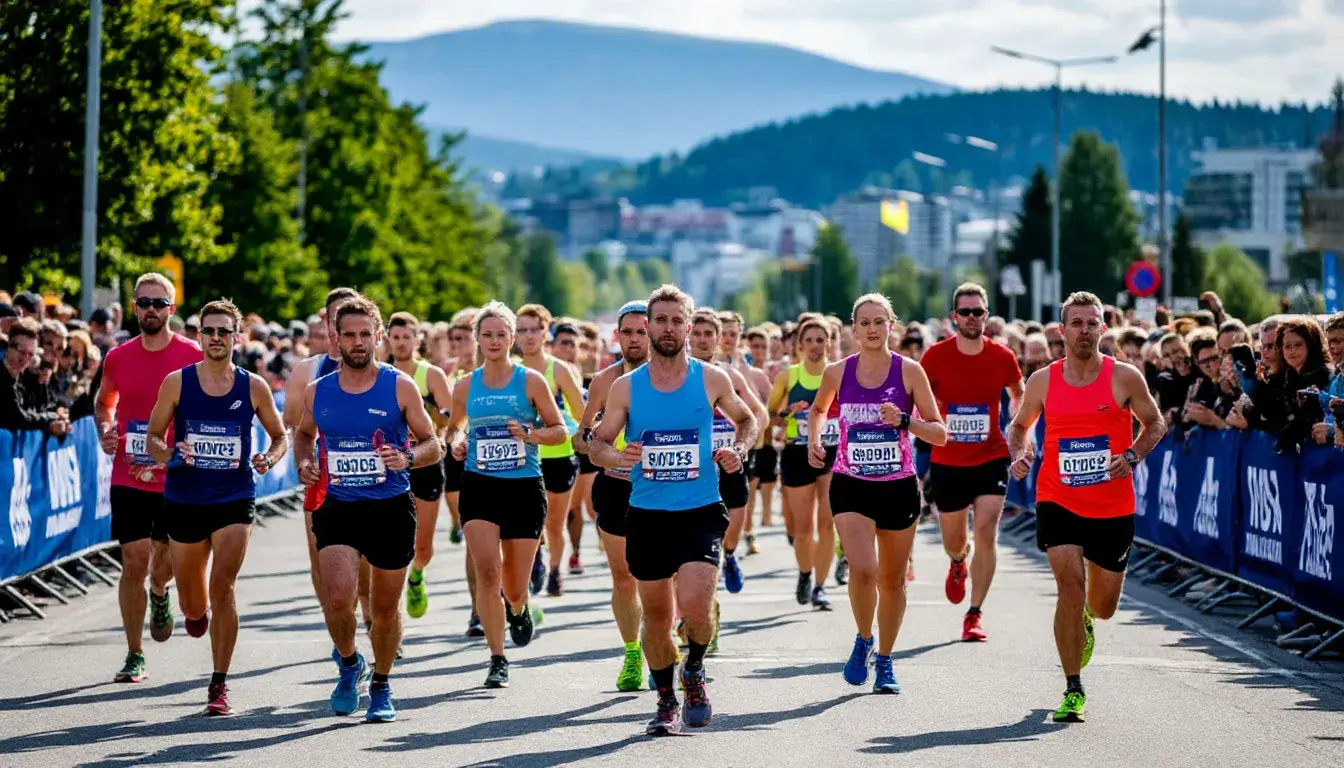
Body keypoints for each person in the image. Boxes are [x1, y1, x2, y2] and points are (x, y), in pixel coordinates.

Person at [589, 284, 758, 735]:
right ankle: (665, 700)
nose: (668, 328)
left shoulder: (711, 379)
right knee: (658, 617)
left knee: (697, 610)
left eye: (676, 320)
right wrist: (616, 456)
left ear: (689, 326)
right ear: (648, 327)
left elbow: (747, 419)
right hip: (646, 514)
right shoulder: (626, 387)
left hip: (700, 510)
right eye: (660, 320)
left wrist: (739, 450)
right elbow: (597, 444)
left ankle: (694, 670)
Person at [1007, 291, 1165, 723]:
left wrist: (1132, 455)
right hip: (1057, 497)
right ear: (1062, 330)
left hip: (1112, 504)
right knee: (1070, 590)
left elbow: (1156, 423)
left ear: (1103, 327)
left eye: (1092, 323)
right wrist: (1020, 453)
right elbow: (1020, 427)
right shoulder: (1043, 380)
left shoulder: (1125, 377)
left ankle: (1089, 619)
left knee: (1104, 604)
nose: (1084, 330)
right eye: (1076, 323)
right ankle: (1073, 686)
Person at [294, 297, 443, 722]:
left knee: (383, 609)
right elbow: (303, 435)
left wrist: (408, 457)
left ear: (378, 337)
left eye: (365, 334)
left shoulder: (400, 386)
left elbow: (432, 444)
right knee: (338, 599)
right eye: (349, 335)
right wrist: (304, 463)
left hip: (390, 508)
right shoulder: (319, 391)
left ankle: (381, 682)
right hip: (338, 506)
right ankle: (348, 663)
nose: (358, 342)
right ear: (336, 339)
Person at [145, 299, 288, 715]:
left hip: (234, 496)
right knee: (194, 610)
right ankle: (164, 593)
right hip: (185, 498)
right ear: (199, 335)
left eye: (224, 331)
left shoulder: (253, 386)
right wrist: (170, 453)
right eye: (209, 330)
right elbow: (152, 438)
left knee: (223, 587)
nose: (216, 337)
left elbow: (280, 436)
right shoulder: (177, 382)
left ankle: (219, 683)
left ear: (236, 337)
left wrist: (269, 458)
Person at [809, 294, 946, 695]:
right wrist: (814, 439)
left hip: (898, 487)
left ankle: (884, 658)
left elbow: (939, 432)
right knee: (863, 570)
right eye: (865, 323)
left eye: (879, 322)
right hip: (851, 484)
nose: (872, 329)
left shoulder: (910, 372)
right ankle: (864, 637)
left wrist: (905, 420)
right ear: (854, 329)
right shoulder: (837, 372)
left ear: (891, 326)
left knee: (892, 580)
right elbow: (818, 410)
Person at [445, 301, 567, 688]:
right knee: (487, 573)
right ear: (477, 339)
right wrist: (457, 441)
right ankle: (497, 658)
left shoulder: (531, 381)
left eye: (501, 334)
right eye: (487, 335)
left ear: (512, 339)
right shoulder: (465, 385)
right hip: (480, 485)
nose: (494, 341)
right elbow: (454, 428)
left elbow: (559, 430)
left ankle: (518, 607)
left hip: (523, 487)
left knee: (514, 586)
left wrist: (531, 434)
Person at [96, 273, 204, 683]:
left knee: (165, 564)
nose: (152, 310)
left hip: (177, 476)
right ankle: (134, 652)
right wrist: (105, 429)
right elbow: (104, 402)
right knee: (133, 563)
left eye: (160, 303)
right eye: (144, 303)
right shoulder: (118, 357)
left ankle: (160, 592)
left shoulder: (192, 355)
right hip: (129, 474)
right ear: (135, 307)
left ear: (172, 309)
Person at [920, 283, 1024, 641]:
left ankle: (974, 613)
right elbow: (916, 396)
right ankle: (957, 561)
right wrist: (926, 422)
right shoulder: (935, 356)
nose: (971, 317)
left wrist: (1018, 428)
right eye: (965, 312)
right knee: (955, 541)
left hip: (990, 457)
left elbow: (1019, 393)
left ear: (986, 315)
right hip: (947, 460)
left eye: (977, 311)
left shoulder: (1002, 357)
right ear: (954, 317)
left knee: (986, 532)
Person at [282, 288, 377, 662]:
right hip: (324, 481)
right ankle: (341, 636)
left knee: (369, 564)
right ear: (328, 324)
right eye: (338, 319)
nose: (347, 333)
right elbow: (295, 427)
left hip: (370, 480)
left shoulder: (377, 367)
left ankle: (373, 618)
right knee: (323, 561)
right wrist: (305, 461)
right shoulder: (307, 372)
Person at [573, 300, 651, 691]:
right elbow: (580, 440)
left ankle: (663, 645)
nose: (634, 339)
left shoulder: (672, 377)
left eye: (642, 331)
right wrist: (597, 437)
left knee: (663, 576)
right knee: (623, 576)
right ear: (616, 336)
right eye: (627, 332)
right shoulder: (604, 381)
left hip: (662, 486)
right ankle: (633, 653)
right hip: (616, 487)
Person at [691, 309, 769, 598]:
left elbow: (758, 415)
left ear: (718, 339)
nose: (702, 340)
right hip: (694, 468)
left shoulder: (730, 376)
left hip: (729, 463)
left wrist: (741, 446)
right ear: (688, 337)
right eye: (697, 334)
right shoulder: (677, 376)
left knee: (733, 528)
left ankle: (731, 554)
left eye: (709, 334)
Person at [768, 316, 840, 608]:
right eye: (808, 340)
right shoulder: (788, 376)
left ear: (829, 343)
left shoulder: (839, 373)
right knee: (803, 530)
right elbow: (770, 416)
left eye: (820, 340)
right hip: (797, 453)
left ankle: (820, 587)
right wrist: (788, 412)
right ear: (799, 345)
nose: (814, 346)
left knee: (827, 525)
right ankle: (805, 573)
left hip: (831, 452)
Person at [515, 304, 585, 597]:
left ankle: (555, 570)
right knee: (530, 520)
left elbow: (582, 414)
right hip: (522, 458)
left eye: (536, 329)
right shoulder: (510, 371)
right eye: (522, 330)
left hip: (557, 455)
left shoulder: (559, 370)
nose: (529, 336)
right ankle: (536, 560)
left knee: (555, 523)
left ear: (547, 333)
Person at [386, 312, 453, 620]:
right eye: (396, 337)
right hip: (390, 466)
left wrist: (422, 409)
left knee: (422, 547)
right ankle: (388, 601)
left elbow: (449, 418)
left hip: (426, 463)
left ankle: (416, 576)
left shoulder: (431, 375)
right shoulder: (380, 374)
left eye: (406, 337)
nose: (401, 343)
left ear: (418, 339)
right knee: (390, 541)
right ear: (388, 339)